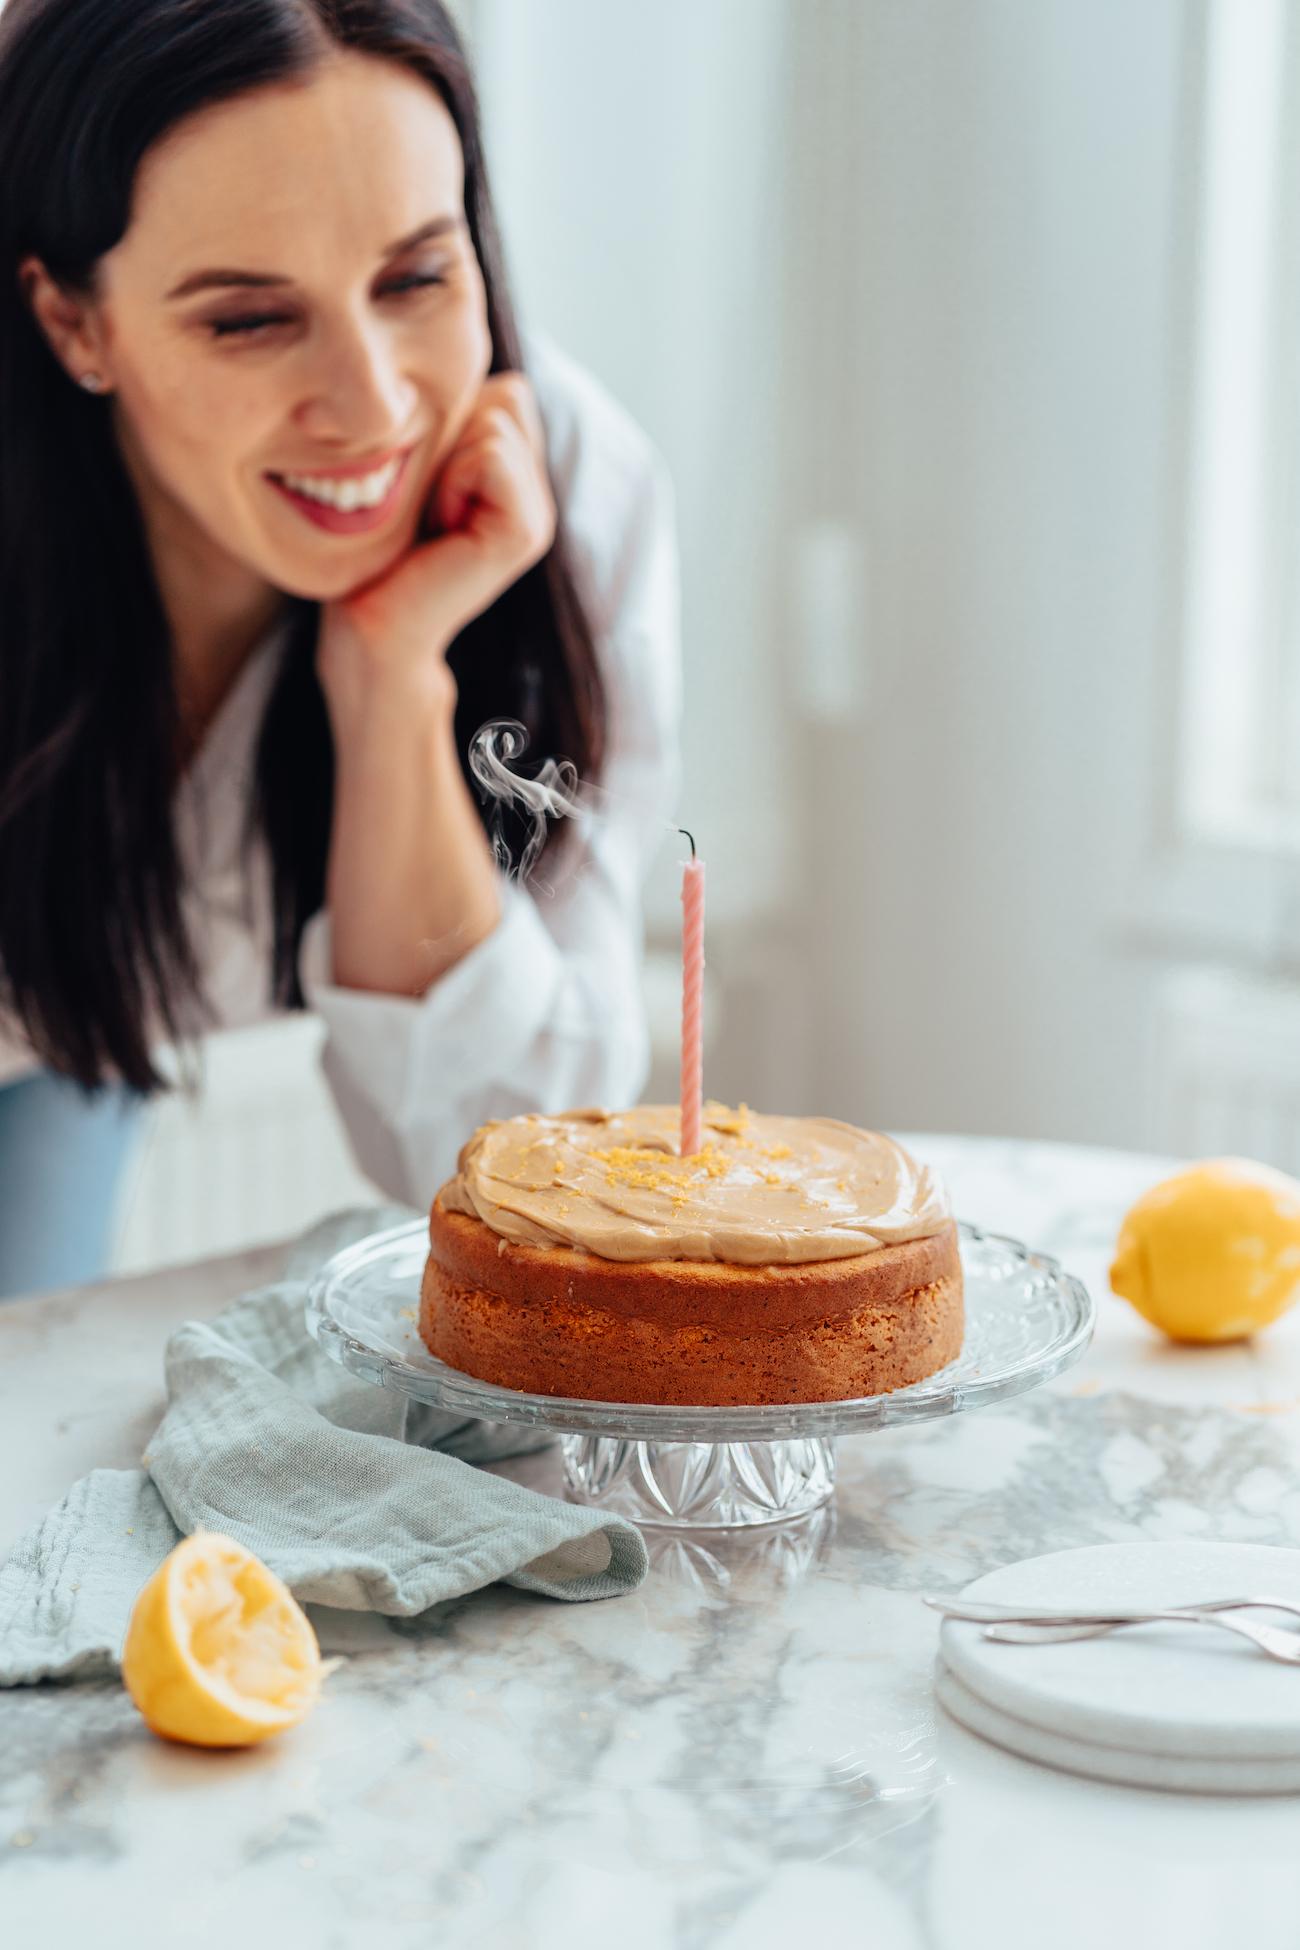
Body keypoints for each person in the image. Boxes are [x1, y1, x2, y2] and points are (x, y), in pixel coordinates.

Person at [0, 0, 679, 1296]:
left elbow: (489, 1146)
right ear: (73, 321)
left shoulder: (562, 488)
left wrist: (391, 680)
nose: (373, 408)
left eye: (419, 277)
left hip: (75, 1011)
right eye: (249, 319)